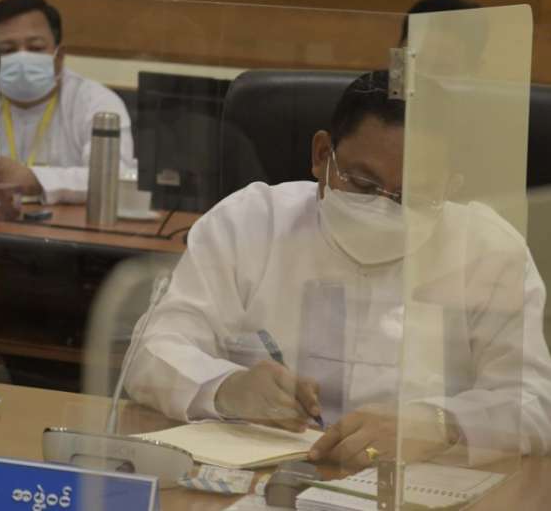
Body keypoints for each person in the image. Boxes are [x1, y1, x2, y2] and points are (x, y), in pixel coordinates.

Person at [123, 71, 551, 467]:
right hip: (267, 477)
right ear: (322, 155)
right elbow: (151, 352)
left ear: (449, 186)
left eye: (415, 196)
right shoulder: (250, 223)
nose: (385, 208)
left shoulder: (488, 251)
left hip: (415, 487)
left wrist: (439, 424)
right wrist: (225, 387)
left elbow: (534, 404)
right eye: (363, 184)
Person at [0, 0, 134, 218]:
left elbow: (117, 177)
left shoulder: (97, 102)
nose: (22, 59)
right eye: (7, 50)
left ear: (59, 55)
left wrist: (35, 179)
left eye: (35, 48)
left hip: (74, 232)